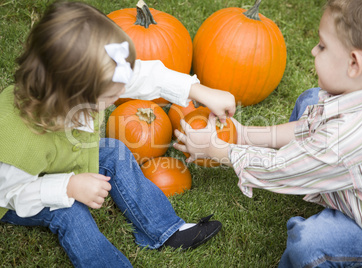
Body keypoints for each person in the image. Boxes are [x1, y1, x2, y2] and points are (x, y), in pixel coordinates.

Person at [0, 1, 236, 267]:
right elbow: (9, 191)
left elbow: (143, 76)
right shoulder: (17, 138)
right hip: (18, 194)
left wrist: (200, 92)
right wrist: (67, 186)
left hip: (57, 162)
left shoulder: (87, 84)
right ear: (75, 96)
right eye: (111, 96)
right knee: (70, 213)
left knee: (114, 150)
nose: (118, 97)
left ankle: (166, 230)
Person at [174, 0, 362, 266]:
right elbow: (308, 129)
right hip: (350, 173)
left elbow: (280, 168)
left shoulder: (348, 139)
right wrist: (244, 134)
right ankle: (314, 172)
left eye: (323, 46)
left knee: (309, 243)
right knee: (311, 100)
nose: (313, 51)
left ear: (354, 64)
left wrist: (217, 150)